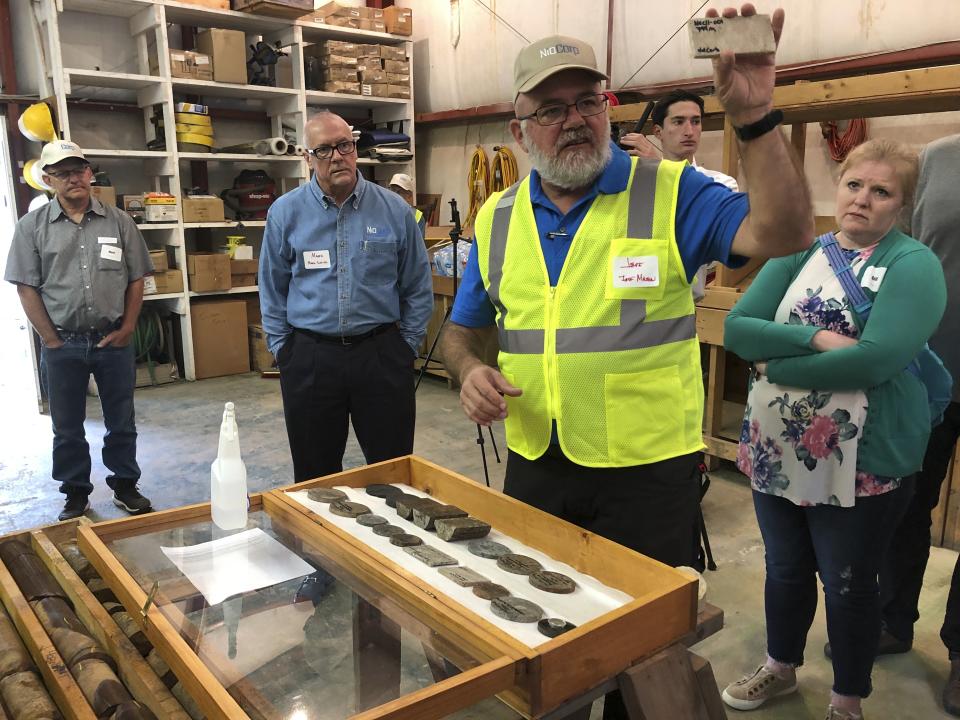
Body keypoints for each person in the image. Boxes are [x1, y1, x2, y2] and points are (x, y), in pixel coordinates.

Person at [721, 138, 946, 720]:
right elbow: (741, 328)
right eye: (853, 185)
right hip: (777, 449)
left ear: (903, 204)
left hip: (863, 460)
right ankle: (780, 668)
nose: (862, 200)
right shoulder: (802, 251)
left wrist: (776, 364)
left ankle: (847, 700)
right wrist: (814, 338)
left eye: (881, 191)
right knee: (786, 568)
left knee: (849, 582)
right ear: (837, 186)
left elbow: (875, 361)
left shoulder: (912, 265)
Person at [259, 111, 433, 482]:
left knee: (393, 471)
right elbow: (272, 289)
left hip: (381, 354)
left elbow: (417, 285)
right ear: (307, 158)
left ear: (355, 149)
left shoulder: (395, 211)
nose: (337, 156)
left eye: (345, 146)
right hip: (310, 358)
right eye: (324, 150)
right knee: (315, 477)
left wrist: (406, 346)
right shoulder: (284, 214)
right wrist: (283, 351)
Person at [4, 140, 154, 521]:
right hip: (63, 344)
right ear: (48, 179)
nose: (74, 178)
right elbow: (26, 286)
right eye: (64, 172)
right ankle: (75, 493)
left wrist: (129, 327)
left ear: (90, 174)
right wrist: (50, 339)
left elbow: (137, 277)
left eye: (80, 170)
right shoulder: (32, 226)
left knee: (121, 420)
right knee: (67, 426)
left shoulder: (119, 221)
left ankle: (125, 485)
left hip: (113, 340)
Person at [873, 133, 960, 716]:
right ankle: (891, 618)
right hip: (933, 370)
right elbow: (899, 249)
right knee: (905, 502)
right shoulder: (937, 158)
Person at [621, 89, 739, 299]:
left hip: (681, 306)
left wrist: (662, 169)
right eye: (678, 122)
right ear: (658, 132)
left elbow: (710, 253)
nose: (689, 131)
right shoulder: (631, 180)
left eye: (696, 121)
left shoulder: (720, 184)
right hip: (627, 297)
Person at [388, 172, 426, 238]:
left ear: (409, 195)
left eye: (399, 192)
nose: (394, 195)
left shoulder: (417, 216)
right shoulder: (383, 213)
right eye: (392, 190)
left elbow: (418, 245)